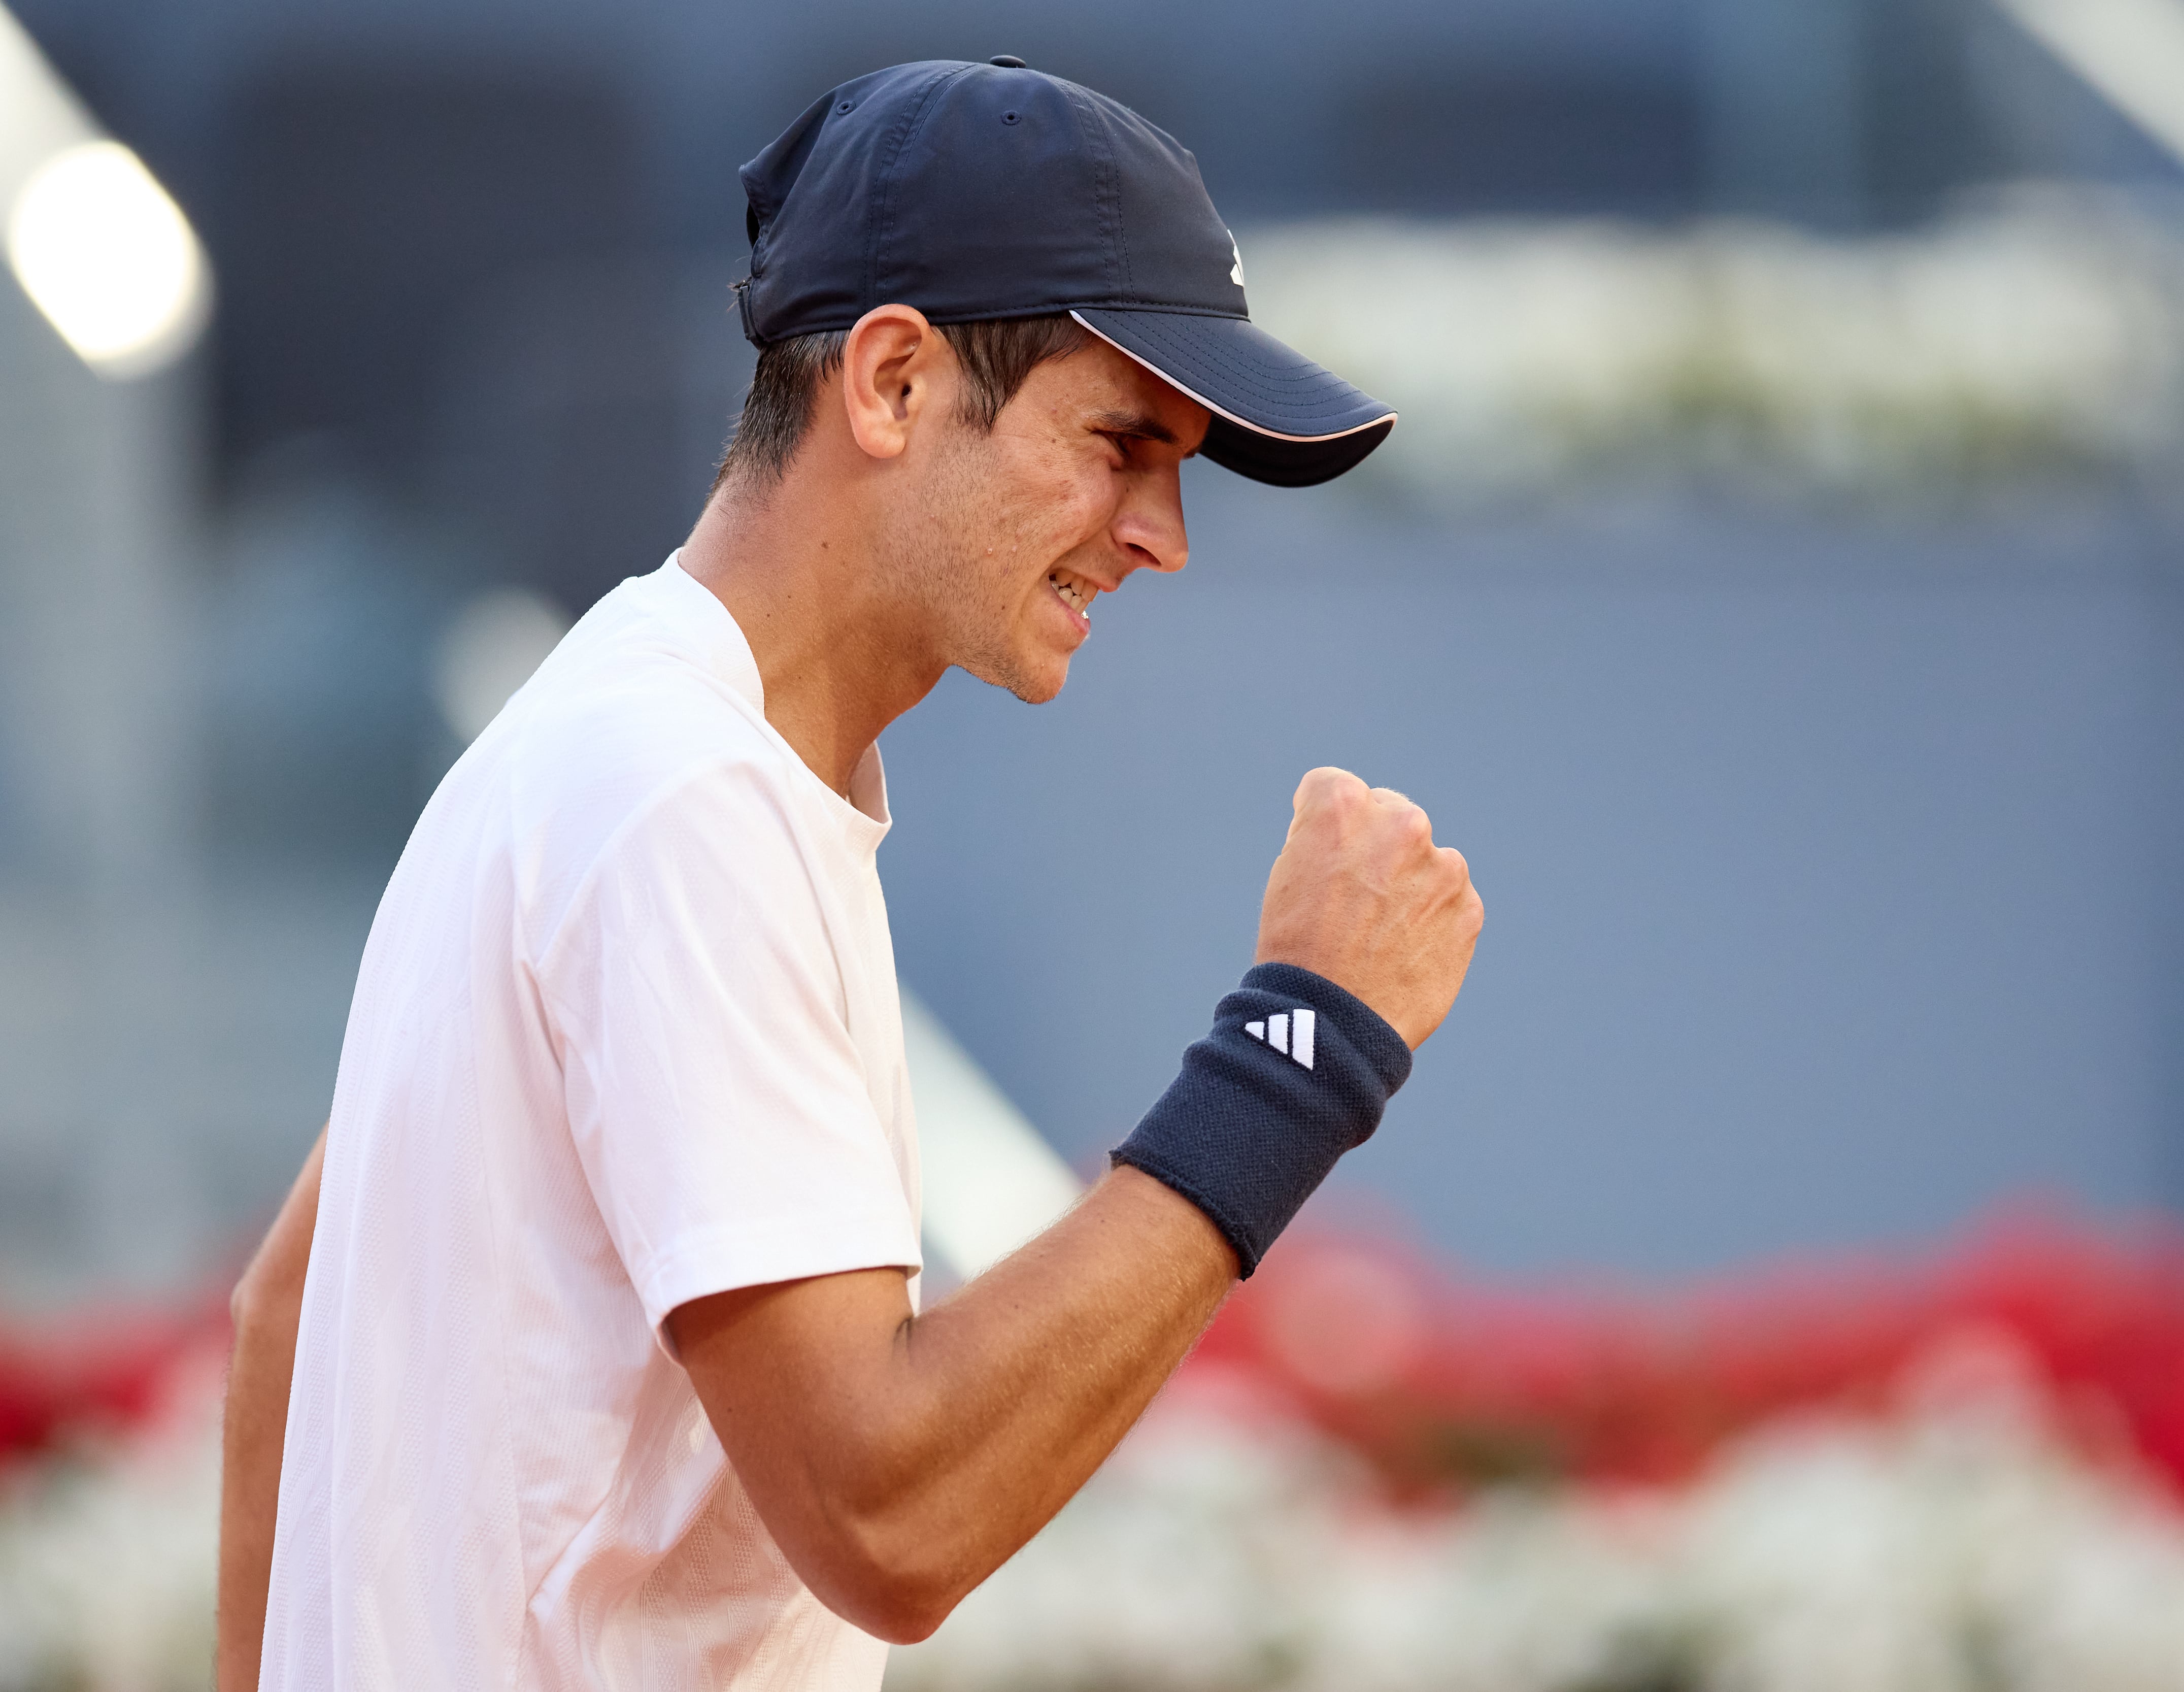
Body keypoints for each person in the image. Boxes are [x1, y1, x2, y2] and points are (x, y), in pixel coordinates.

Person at [216, 57, 1482, 1691]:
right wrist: (1306, 1045)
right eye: (1120, 443)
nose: (1163, 531)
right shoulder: (677, 797)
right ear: (889, 383)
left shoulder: (617, 734)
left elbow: (281, 1319)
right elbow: (888, 1514)